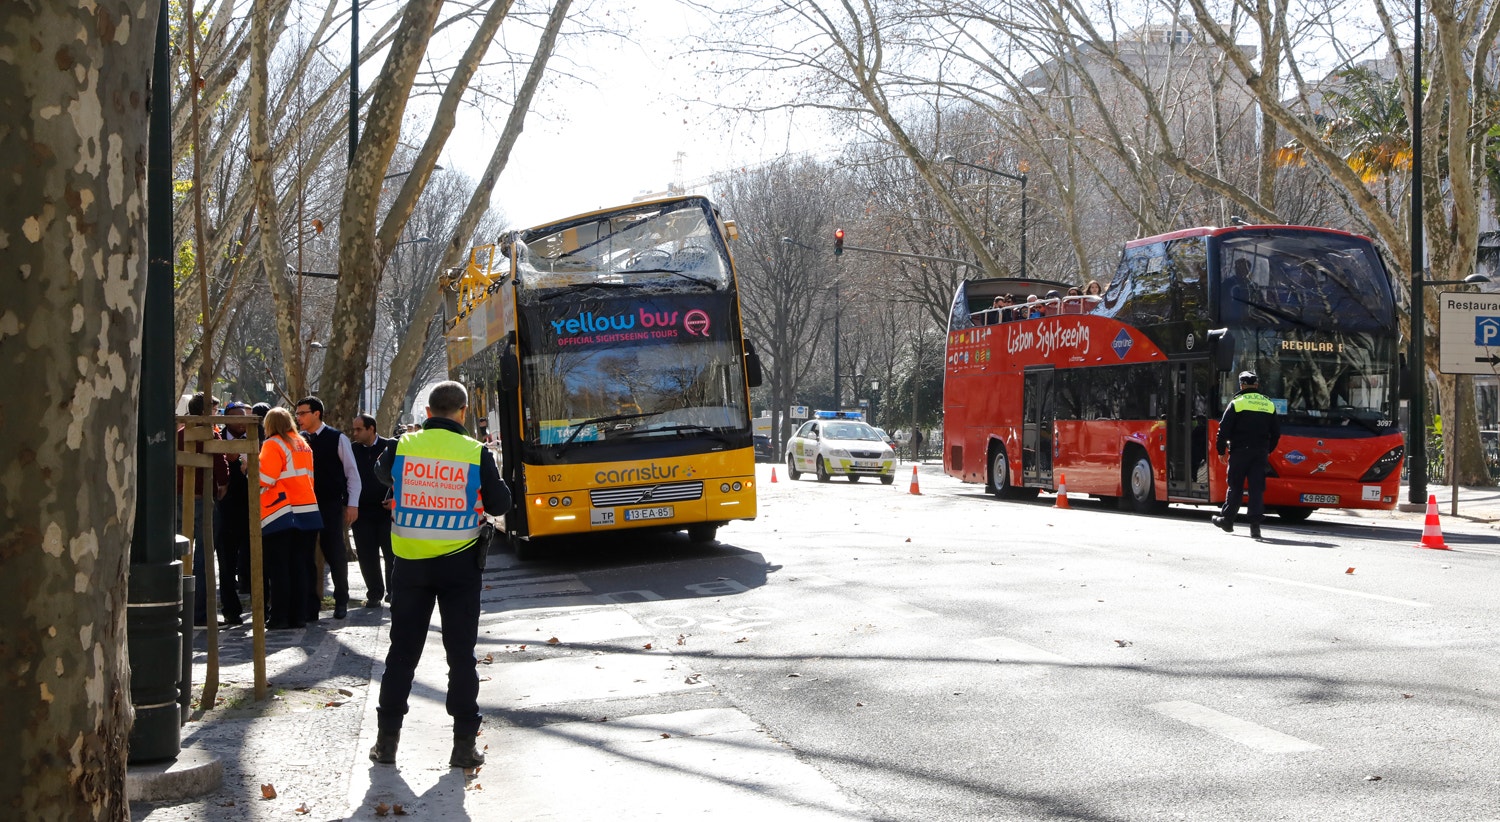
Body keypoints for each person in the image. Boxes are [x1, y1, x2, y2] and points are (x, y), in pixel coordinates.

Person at [370, 380, 512, 770]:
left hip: (411, 565)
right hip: (460, 566)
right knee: (460, 657)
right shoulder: (475, 452)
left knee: (402, 654)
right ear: (464, 412)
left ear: (428, 413)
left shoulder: (402, 446)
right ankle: (463, 747)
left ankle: (387, 744)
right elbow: (501, 503)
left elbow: (383, 474)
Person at [296, 396, 361, 620]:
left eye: (303, 413)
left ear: (317, 413)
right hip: (304, 504)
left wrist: (352, 503)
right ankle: (309, 606)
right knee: (304, 555)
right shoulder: (298, 440)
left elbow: (352, 473)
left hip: (330, 504)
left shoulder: (337, 438)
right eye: (297, 414)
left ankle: (341, 600)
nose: (299, 418)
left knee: (335, 553)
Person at [258, 407, 323, 630]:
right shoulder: (303, 444)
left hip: (280, 511)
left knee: (279, 568)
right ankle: (300, 615)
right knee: (300, 566)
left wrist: (248, 467)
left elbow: (266, 478)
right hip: (306, 508)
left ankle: (280, 616)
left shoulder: (272, 444)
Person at [177, 392, 228, 626]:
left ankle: (179, 608)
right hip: (201, 499)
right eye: (215, 411)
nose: (216, 415)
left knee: (180, 554)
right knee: (204, 557)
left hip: (177, 499)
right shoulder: (210, 433)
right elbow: (221, 464)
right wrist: (223, 484)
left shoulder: (179, 433)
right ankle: (199, 613)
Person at [1212, 371, 1280, 540]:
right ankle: (1255, 527)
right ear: (1256, 385)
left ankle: (1227, 520)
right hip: (1260, 453)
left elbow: (1223, 430)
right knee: (1257, 489)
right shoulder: (1268, 404)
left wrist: (1221, 451)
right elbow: (1276, 433)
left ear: (1241, 385)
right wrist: (1267, 450)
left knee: (1235, 486)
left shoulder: (1237, 403)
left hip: (1240, 452)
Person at [213, 402, 254, 625]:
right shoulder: (216, 439)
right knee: (226, 564)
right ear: (227, 418)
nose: (242, 421)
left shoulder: (258, 438)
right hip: (225, 512)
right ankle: (231, 610)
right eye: (237, 417)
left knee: (256, 561)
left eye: (245, 417)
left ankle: (262, 606)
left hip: (253, 510)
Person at [349, 413, 396, 607]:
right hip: (362, 512)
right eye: (354, 429)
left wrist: (396, 498)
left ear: (371, 429)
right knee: (366, 554)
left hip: (386, 511)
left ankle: (393, 592)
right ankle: (374, 593)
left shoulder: (389, 447)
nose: (355, 433)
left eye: (359, 429)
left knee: (391, 554)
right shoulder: (352, 450)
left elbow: (401, 475)